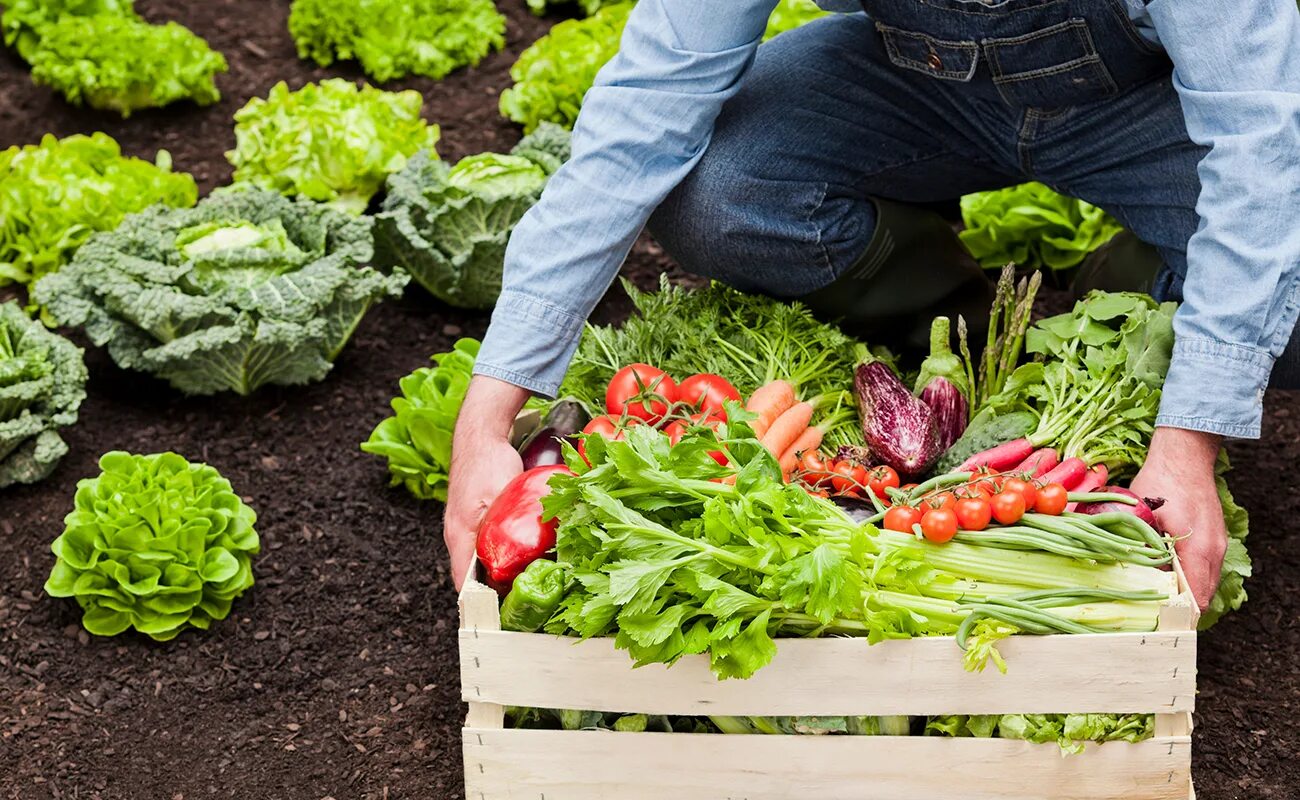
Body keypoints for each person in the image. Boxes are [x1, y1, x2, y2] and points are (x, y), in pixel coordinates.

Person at [446, 0, 1300, 610]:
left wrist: (1187, 443)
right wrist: (486, 418)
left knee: (1286, 311)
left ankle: (1131, 295)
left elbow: (1262, 145)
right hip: (919, 87)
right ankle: (950, 313)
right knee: (722, 192)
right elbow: (643, 110)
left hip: (1148, 104)